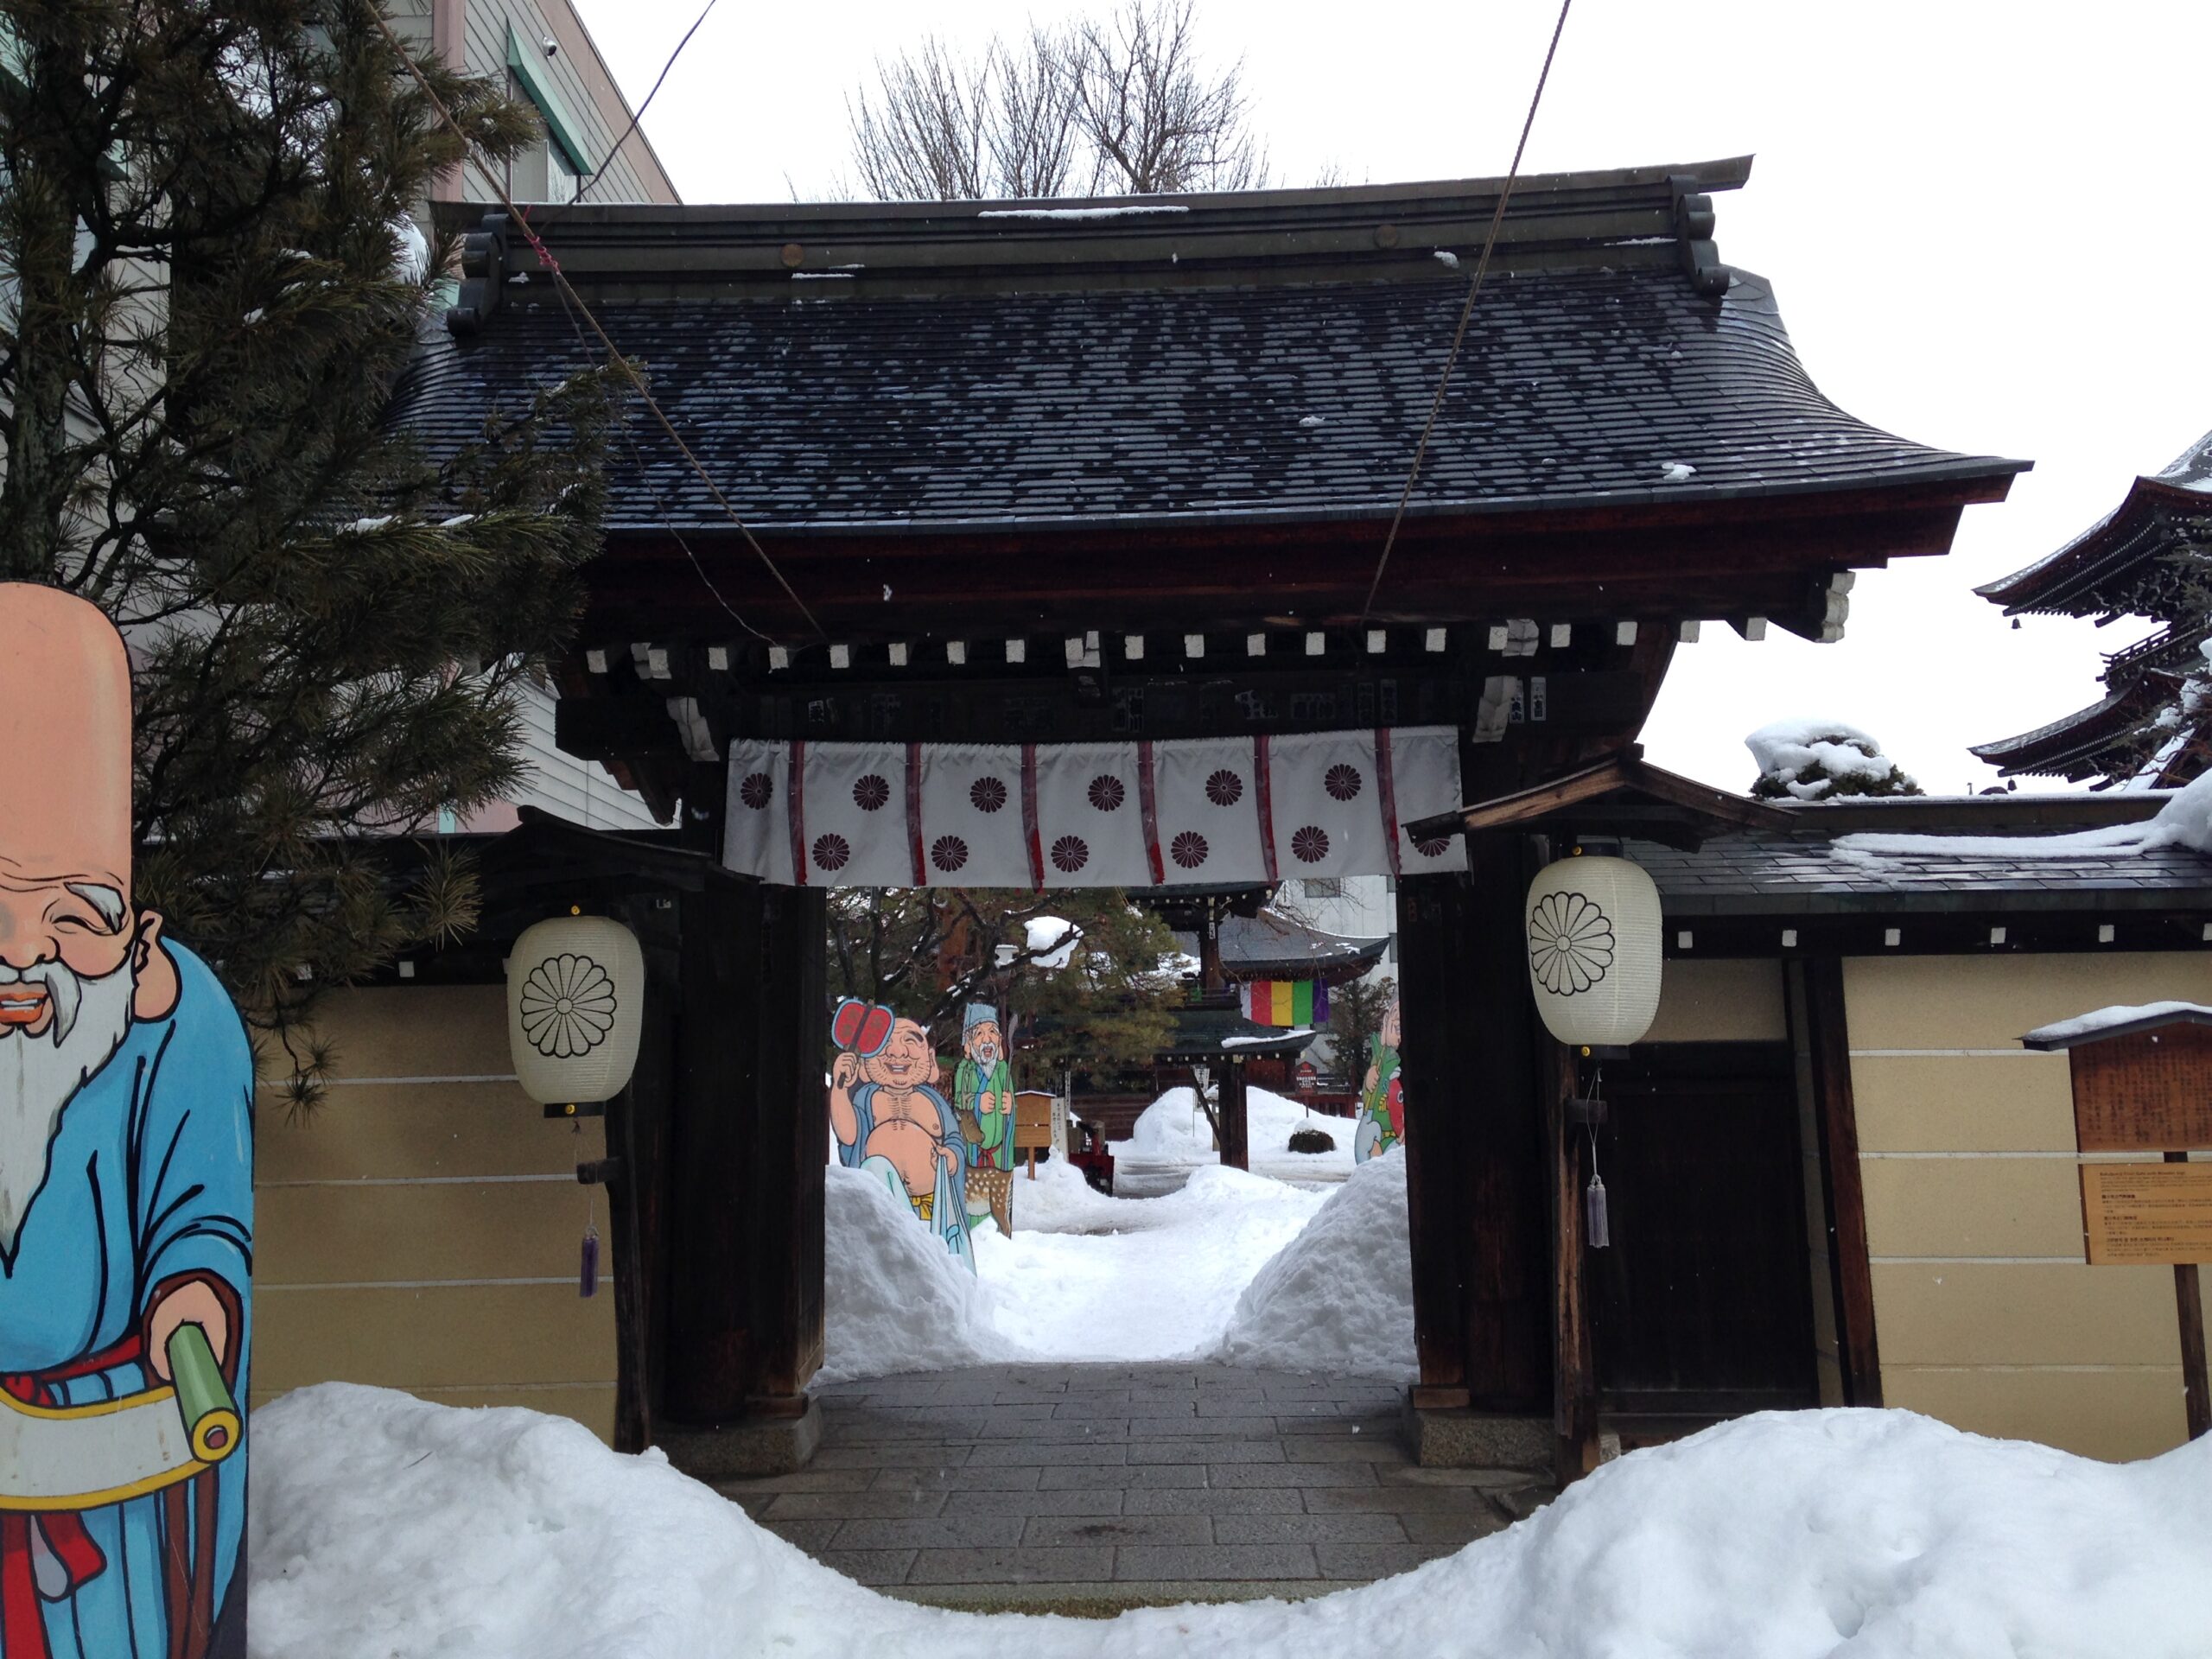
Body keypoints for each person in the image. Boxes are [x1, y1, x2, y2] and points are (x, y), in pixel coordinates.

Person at [0, 583, 252, 1659]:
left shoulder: (180, 1021)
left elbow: (204, 1214)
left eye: (71, 918)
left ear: (137, 944)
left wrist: (193, 1299)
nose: (23, 959)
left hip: (107, 1456)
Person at [828, 1010, 973, 1269]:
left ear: (930, 1059)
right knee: (875, 1168)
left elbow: (954, 1142)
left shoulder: (935, 1102)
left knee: (933, 1267)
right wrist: (840, 1089)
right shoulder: (865, 1098)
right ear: (865, 1062)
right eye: (886, 1044)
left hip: (933, 1206)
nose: (898, 1052)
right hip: (886, 1209)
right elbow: (849, 1137)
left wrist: (951, 1157)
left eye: (910, 1041)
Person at [951, 1005, 1014, 1236]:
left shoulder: (1002, 1071)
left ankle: (1000, 1237)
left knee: (999, 1208)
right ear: (968, 1046)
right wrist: (977, 1101)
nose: (987, 1040)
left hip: (998, 1155)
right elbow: (958, 1103)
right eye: (979, 1034)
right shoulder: (964, 1071)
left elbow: (1010, 1109)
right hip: (974, 1154)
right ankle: (975, 1236)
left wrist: (1010, 1107)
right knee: (973, 1207)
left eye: (992, 1032)